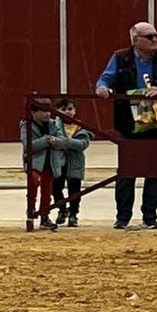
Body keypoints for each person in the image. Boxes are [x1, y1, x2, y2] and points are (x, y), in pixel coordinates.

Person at [95, 21, 157, 229]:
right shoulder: (120, 58)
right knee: (127, 171)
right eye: (149, 36)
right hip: (129, 123)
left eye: (156, 36)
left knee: (155, 171)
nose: (155, 40)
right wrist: (102, 88)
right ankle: (123, 217)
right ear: (135, 40)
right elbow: (105, 79)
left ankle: (150, 217)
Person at [50, 97, 91, 227]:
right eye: (63, 109)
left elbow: (83, 144)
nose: (67, 112)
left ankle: (73, 215)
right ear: (57, 111)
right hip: (58, 162)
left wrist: (65, 142)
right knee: (56, 188)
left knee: (75, 191)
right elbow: (52, 140)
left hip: (76, 163)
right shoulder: (53, 125)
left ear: (75, 110)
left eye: (70, 109)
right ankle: (62, 209)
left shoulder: (80, 126)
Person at [21, 98, 60, 231]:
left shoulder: (53, 124)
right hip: (35, 161)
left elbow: (60, 139)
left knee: (47, 190)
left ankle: (45, 216)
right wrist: (46, 140)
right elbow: (28, 146)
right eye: (43, 111)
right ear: (33, 112)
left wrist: (57, 142)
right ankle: (31, 210)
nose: (47, 114)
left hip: (50, 161)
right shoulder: (26, 125)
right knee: (33, 181)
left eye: (48, 111)